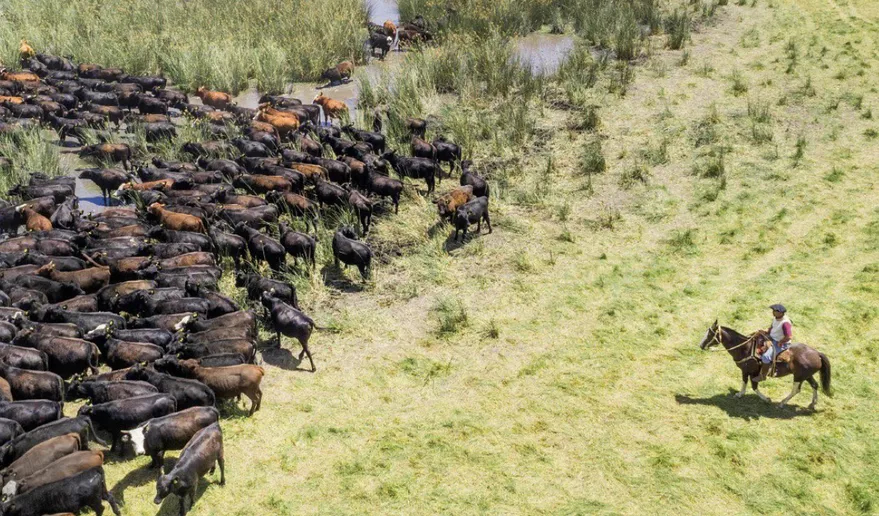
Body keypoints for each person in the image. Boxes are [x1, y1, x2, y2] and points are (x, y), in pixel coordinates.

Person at [754, 304, 792, 382]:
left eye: (775, 311)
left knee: (766, 356)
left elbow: (789, 336)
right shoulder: (776, 318)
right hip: (772, 338)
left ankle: (763, 375)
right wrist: (766, 331)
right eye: (773, 310)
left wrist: (781, 342)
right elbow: (772, 328)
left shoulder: (785, 323)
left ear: (781, 313)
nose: (773, 312)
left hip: (781, 343)